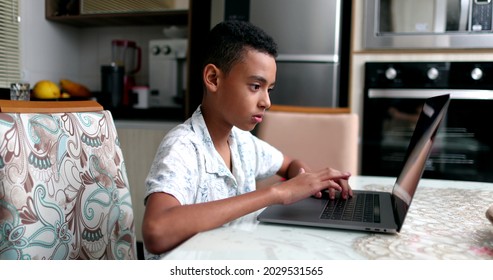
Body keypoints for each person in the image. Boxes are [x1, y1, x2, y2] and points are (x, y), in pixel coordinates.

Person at [141, 20, 353, 259]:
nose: (267, 102)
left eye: (269, 89)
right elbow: (156, 231)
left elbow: (289, 164)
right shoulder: (183, 147)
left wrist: (309, 182)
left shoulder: (243, 141)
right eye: (255, 86)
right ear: (213, 78)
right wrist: (278, 194)